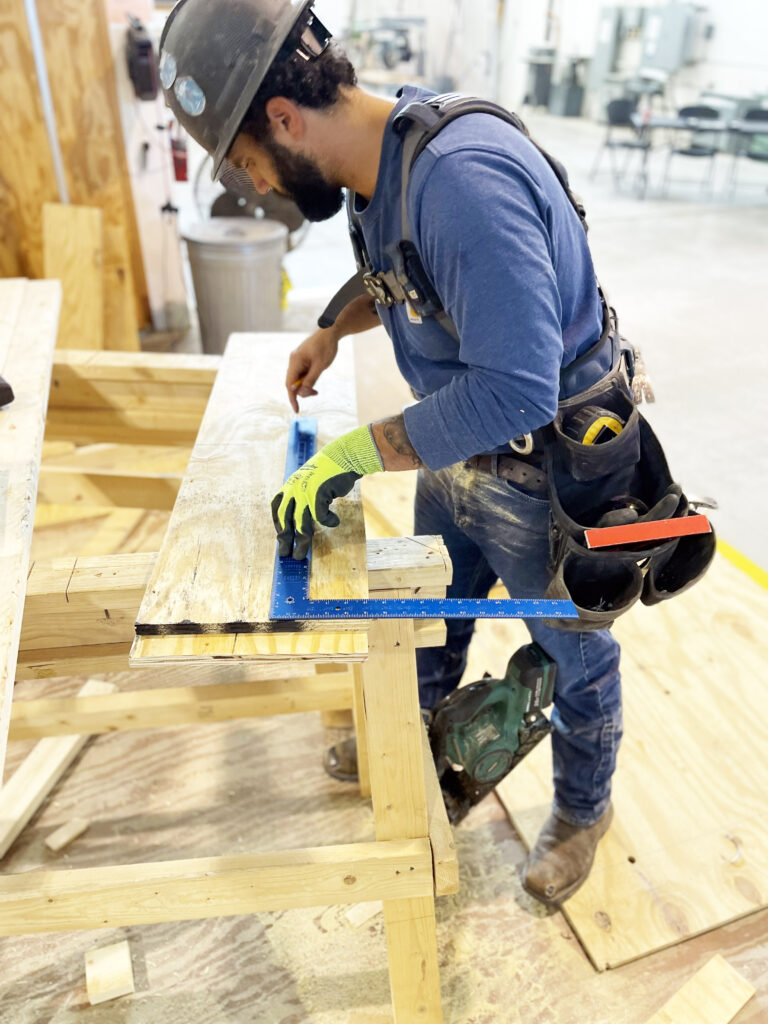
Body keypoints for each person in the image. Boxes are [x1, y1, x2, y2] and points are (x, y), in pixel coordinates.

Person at [160, 0, 620, 906]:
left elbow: (519, 390)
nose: (255, 184)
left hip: (546, 474)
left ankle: (581, 811)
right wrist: (333, 329)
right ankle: (416, 752)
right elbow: (403, 274)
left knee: (575, 657)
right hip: (455, 448)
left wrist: (356, 451)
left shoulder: (465, 182)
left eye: (247, 161)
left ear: (282, 118)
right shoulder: (384, 163)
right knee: (429, 615)